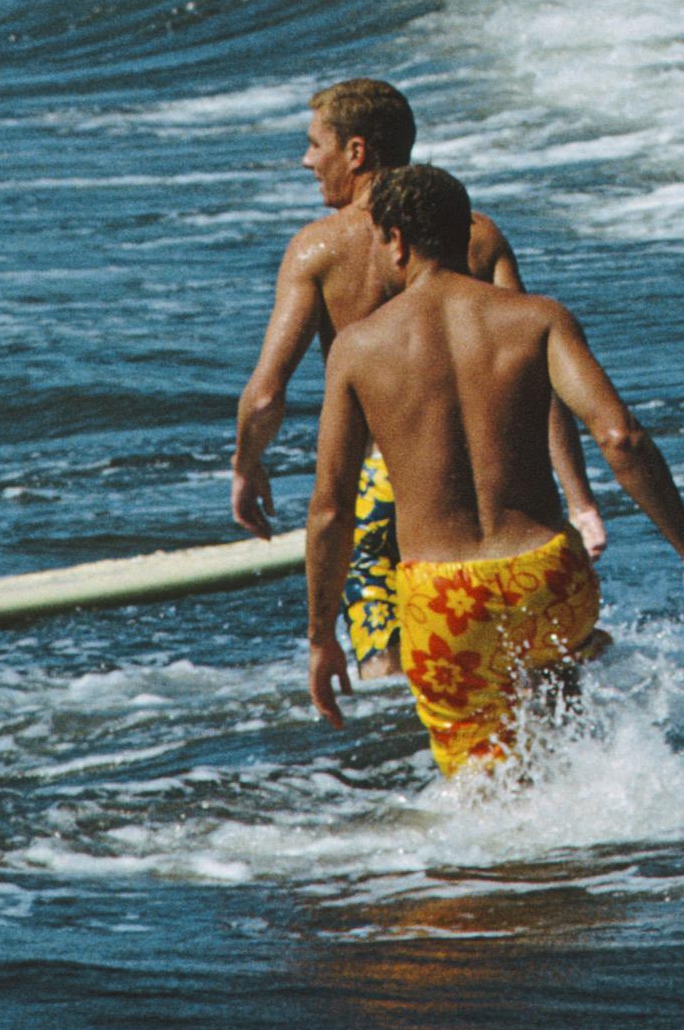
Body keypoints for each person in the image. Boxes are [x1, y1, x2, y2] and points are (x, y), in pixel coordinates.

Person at [298, 165, 684, 771]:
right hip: (547, 576)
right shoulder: (537, 319)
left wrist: (321, 639)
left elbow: (332, 508)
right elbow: (620, 437)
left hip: (443, 598)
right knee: (566, 745)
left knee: (484, 793)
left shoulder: (359, 348)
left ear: (396, 240)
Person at [232, 78, 607, 696]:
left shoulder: (316, 250)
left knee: (391, 666)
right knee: (540, 670)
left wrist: (247, 466)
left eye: (314, 145)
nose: (306, 160)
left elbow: (266, 394)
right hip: (503, 487)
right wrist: (580, 498)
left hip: (389, 486)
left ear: (355, 153)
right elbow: (534, 375)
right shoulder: (475, 234)